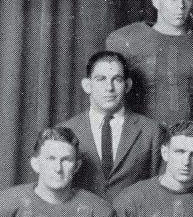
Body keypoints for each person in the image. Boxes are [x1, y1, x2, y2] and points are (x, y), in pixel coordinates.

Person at [57, 50, 164, 201]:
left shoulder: (151, 131)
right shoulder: (66, 131)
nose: (109, 87)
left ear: (127, 85)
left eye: (117, 79)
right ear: (87, 85)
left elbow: (158, 188)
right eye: (101, 79)